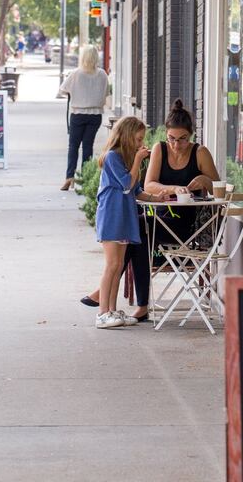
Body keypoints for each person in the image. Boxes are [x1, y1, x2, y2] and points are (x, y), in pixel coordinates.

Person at [80, 98, 219, 321]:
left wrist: (203, 179)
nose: (176, 145)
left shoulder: (199, 153)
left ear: (191, 136)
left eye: (182, 139)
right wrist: (169, 190)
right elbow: (145, 185)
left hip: (188, 224)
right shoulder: (156, 150)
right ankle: (129, 304)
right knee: (137, 234)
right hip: (160, 215)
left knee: (137, 235)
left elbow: (218, 188)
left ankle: (107, 298)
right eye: (171, 139)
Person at [94, 117, 166, 329]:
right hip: (111, 215)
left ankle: (112, 310)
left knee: (118, 267)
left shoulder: (126, 160)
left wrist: (156, 199)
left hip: (125, 216)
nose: (139, 144)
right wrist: (137, 160)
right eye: (137, 139)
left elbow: (137, 191)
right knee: (111, 265)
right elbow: (126, 185)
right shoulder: (112, 157)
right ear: (126, 137)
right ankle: (102, 312)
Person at [58, 44, 108, 192]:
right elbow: (105, 93)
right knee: (88, 147)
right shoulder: (102, 74)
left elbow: (62, 91)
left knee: (73, 146)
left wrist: (75, 93)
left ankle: (69, 178)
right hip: (95, 115)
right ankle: (85, 179)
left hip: (78, 114)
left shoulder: (75, 73)